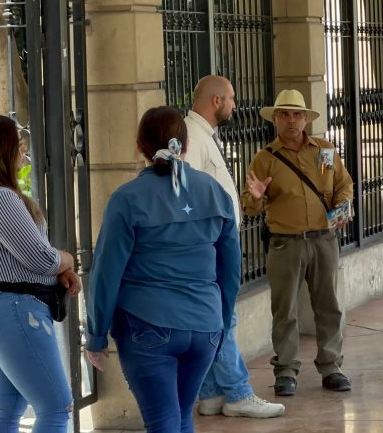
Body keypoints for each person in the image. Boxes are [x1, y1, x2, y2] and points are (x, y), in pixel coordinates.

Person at [86, 106, 242, 433]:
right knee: (181, 418)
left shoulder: (127, 199)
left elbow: (105, 272)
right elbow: (230, 269)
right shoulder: (216, 193)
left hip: (147, 324)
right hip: (205, 326)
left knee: (164, 422)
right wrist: (222, 324)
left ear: (140, 146)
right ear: (184, 147)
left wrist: (97, 333)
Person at [0, 115, 82, 433]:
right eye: (19, 146)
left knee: (7, 410)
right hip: (16, 310)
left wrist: (57, 272)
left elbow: (24, 259)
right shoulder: (0, 198)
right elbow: (41, 259)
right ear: (3, 150)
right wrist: (65, 260)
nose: (24, 153)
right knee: (56, 407)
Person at [241, 89, 354, 397]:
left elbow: (343, 184)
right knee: (285, 310)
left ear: (306, 119)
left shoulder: (325, 151)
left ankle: (332, 366)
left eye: (297, 114)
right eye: (285, 115)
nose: (291, 120)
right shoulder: (265, 159)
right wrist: (255, 197)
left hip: (323, 240)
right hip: (284, 244)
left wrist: (342, 205)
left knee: (328, 306)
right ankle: (286, 371)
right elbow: (249, 206)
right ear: (275, 119)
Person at [184, 75, 285, 419]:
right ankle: (239, 392)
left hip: (218, 243)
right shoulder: (190, 136)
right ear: (216, 101)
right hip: (210, 245)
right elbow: (188, 195)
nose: (234, 105)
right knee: (222, 316)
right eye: (231, 98)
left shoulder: (204, 135)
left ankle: (211, 393)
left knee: (219, 315)